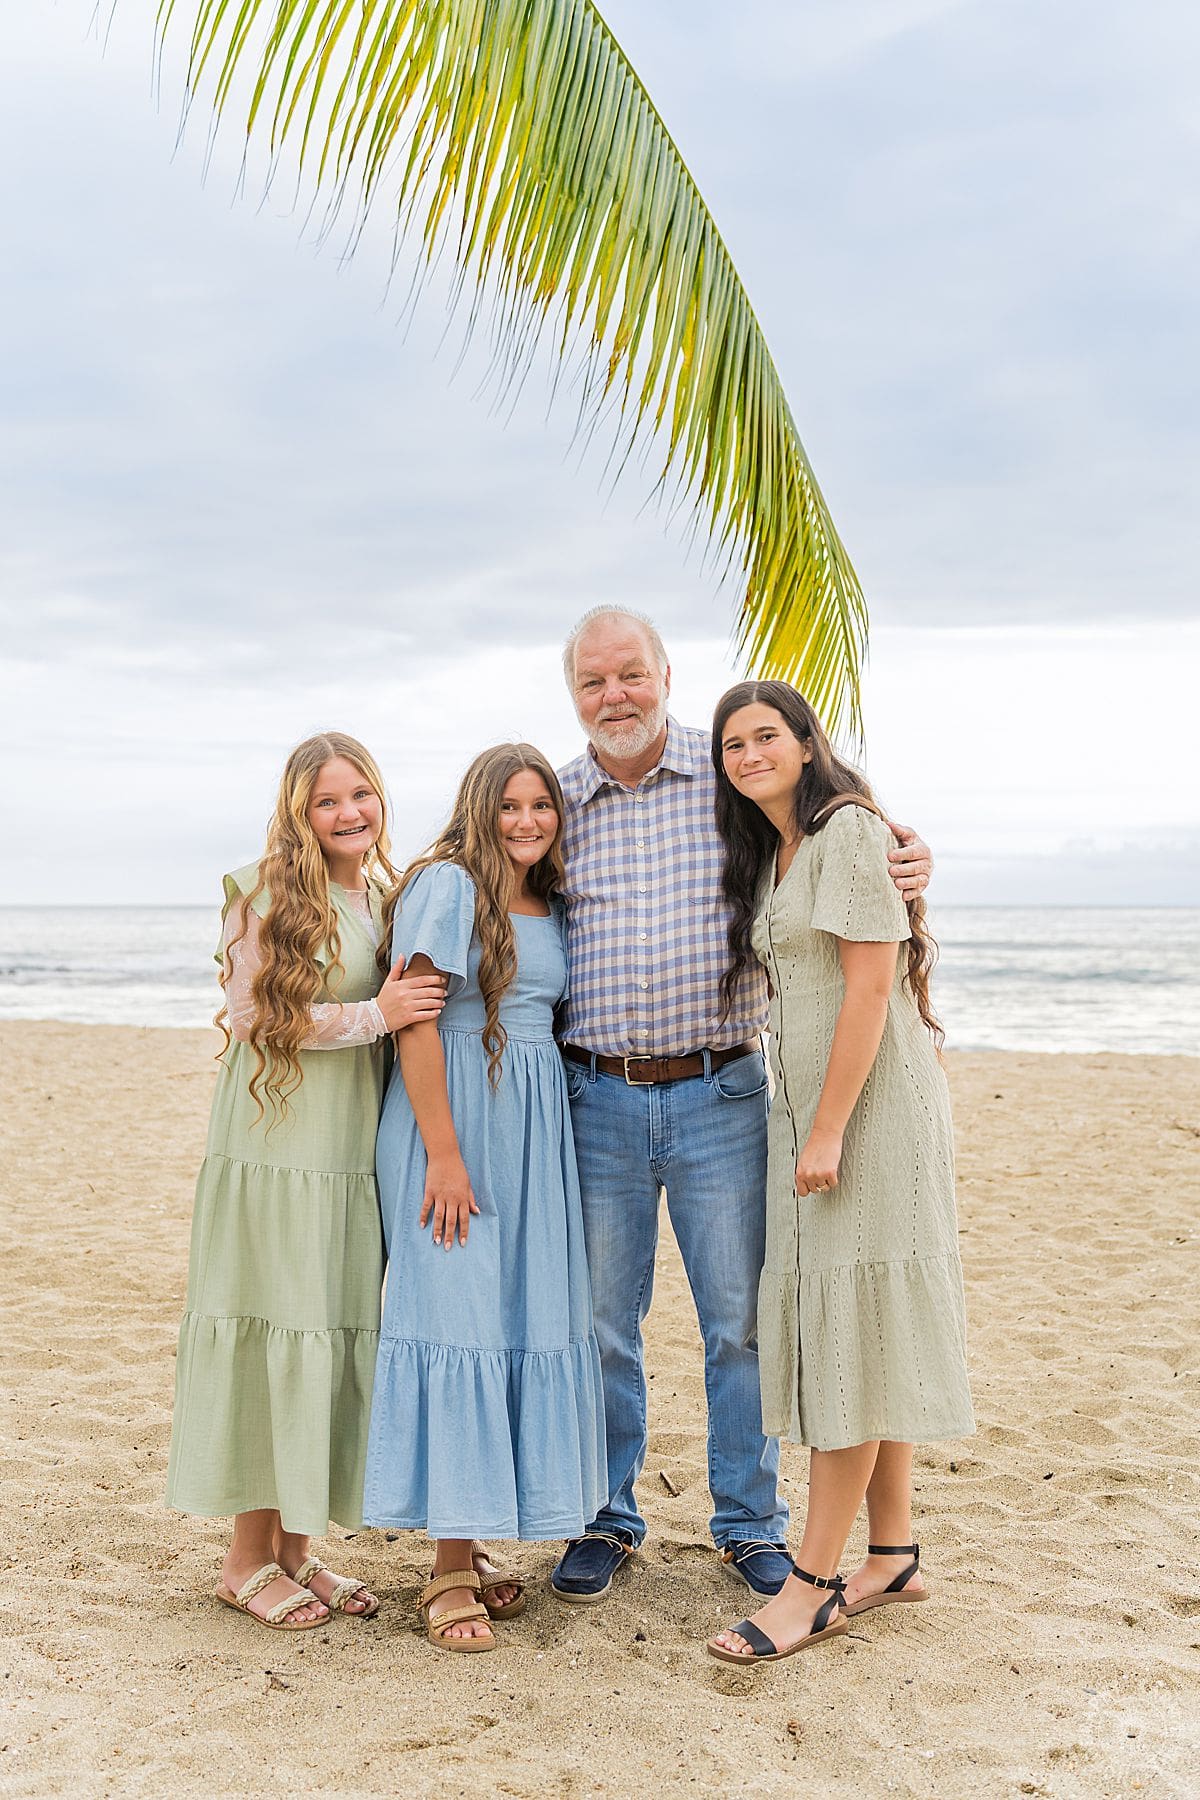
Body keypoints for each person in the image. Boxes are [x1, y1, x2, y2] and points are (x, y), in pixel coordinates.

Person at [549, 609, 932, 1604]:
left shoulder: (724, 778)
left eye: (631, 673)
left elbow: (831, 844)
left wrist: (909, 853)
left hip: (722, 1089)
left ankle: (748, 1525)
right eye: (593, 682)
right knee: (601, 1323)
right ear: (573, 694)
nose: (615, 695)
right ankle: (606, 1519)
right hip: (595, 1093)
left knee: (740, 1324)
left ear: (665, 673)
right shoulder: (553, 800)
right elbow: (481, 875)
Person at [705, 680, 974, 1665]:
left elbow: (870, 987)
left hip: (865, 1116)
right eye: (731, 743)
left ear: (807, 741)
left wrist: (825, 1132)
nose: (746, 755)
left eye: (763, 735)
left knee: (849, 1338)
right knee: (867, 1322)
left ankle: (811, 1586)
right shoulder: (783, 849)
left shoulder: (851, 831)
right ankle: (891, 1553)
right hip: (818, 1111)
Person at [165, 733, 445, 1631]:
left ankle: (295, 1550)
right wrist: (376, 1012)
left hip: (348, 1159)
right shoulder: (264, 890)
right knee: (277, 1331)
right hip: (278, 1152)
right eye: (327, 801)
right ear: (299, 811)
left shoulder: (385, 896)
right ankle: (245, 1558)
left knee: (324, 1335)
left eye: (360, 793)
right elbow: (252, 1016)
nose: (349, 812)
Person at [363, 744, 606, 1653]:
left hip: (533, 1131)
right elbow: (417, 1019)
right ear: (479, 807)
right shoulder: (448, 886)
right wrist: (445, 1155)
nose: (528, 821)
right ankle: (448, 1570)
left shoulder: (549, 897)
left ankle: (473, 1540)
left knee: (509, 1320)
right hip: (453, 1124)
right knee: (457, 1317)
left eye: (542, 804)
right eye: (510, 805)